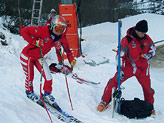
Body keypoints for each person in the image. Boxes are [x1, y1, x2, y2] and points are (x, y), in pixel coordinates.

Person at [97, 20, 156, 114]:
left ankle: (149, 106)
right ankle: (104, 101)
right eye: (141, 33)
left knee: (148, 89)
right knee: (114, 81)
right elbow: (119, 56)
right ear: (136, 30)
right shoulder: (127, 40)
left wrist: (149, 54)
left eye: (144, 33)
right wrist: (120, 69)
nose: (143, 35)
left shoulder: (147, 39)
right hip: (130, 67)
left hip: (143, 68)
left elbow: (153, 49)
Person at [20, 15, 76, 105]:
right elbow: (24, 31)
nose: (59, 32)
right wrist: (34, 42)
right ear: (52, 26)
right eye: (58, 29)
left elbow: (50, 42)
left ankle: (47, 94)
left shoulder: (58, 37)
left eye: (62, 30)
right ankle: (29, 92)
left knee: (48, 77)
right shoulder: (42, 31)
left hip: (39, 57)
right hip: (27, 56)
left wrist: (56, 45)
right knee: (30, 77)